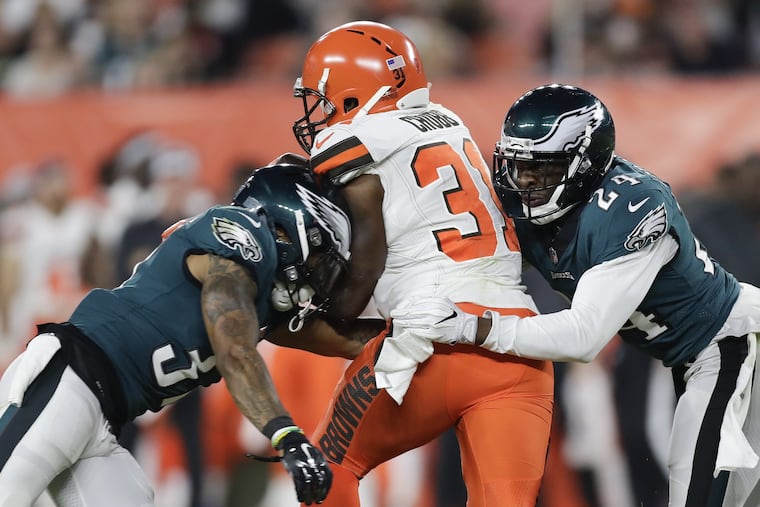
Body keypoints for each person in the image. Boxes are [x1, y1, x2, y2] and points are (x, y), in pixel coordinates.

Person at [390, 83, 760, 507]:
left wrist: (474, 327)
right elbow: (471, 270)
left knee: (693, 488)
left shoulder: (631, 207)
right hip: (693, 355)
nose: (524, 182)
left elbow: (584, 336)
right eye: (517, 166)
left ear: (585, 166)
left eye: (542, 170)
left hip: (734, 343)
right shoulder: (537, 208)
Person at [292, 21, 554, 507]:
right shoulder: (447, 121)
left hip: (434, 341)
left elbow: (366, 264)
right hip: (521, 345)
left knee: (325, 473)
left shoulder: (353, 137)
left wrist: (328, 311)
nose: (319, 112)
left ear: (351, 96)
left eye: (323, 98)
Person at [0, 162, 350, 506]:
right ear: (287, 229)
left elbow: (350, 340)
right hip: (68, 379)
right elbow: (235, 352)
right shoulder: (239, 238)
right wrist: (286, 433)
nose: (320, 271)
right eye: (320, 252)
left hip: (105, 419)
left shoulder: (264, 303)